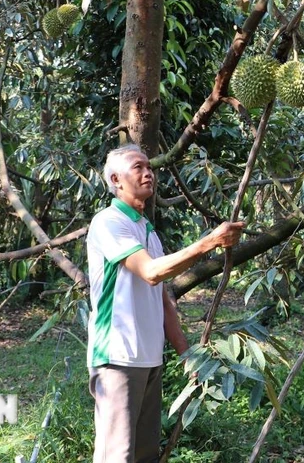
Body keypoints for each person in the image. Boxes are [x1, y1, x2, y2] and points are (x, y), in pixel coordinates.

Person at [86, 143, 243, 463]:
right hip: (117, 358)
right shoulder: (108, 222)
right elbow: (152, 273)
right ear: (116, 180)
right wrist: (209, 242)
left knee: (144, 455)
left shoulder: (148, 232)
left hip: (149, 359)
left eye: (149, 167)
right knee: (116, 456)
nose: (147, 173)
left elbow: (162, 300)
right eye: (138, 167)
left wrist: (186, 354)